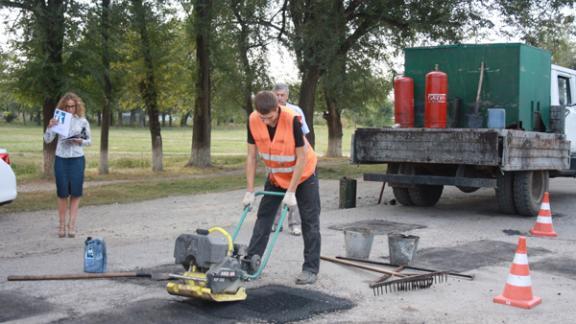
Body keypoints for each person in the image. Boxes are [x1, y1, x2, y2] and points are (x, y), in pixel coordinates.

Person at [242, 90, 321, 285]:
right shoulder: (253, 120)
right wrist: (249, 190)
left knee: (310, 222)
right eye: (262, 118)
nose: (266, 121)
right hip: (276, 176)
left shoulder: (292, 119)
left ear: (277, 108)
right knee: (264, 218)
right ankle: (252, 263)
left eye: (269, 117)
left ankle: (310, 269)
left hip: (303, 175)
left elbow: (301, 157)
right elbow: (251, 157)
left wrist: (292, 191)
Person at [44, 92, 91, 238]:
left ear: (76, 106)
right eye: (67, 106)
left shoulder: (82, 121)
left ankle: (72, 226)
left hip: (77, 159)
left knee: (76, 193)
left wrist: (80, 141)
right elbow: (47, 139)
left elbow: (89, 141)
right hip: (61, 159)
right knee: (62, 193)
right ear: (63, 107)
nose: (70, 109)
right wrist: (50, 126)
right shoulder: (58, 120)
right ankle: (61, 225)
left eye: (73, 106)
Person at [270, 82, 310, 236]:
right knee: (276, 190)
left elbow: (304, 134)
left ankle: (295, 224)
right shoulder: (269, 111)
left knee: (294, 190)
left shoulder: (296, 111)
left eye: (282, 95)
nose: (280, 98)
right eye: (277, 95)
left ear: (287, 95)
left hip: (294, 158)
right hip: (275, 158)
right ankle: (275, 223)